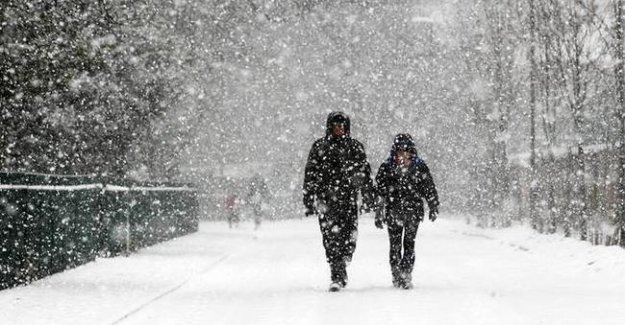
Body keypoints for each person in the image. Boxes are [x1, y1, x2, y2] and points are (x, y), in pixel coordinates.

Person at [303, 111, 375, 292]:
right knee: (330, 238)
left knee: (349, 236)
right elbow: (310, 174)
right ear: (330, 127)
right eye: (336, 126)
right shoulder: (320, 147)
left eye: (342, 126)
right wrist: (309, 199)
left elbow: (365, 174)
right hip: (326, 200)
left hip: (348, 200)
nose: (339, 129)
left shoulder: (355, 147)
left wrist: (368, 197)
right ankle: (337, 273)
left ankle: (344, 260)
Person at [374, 133, 439, 289]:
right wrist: (378, 212)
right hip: (393, 212)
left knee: (409, 244)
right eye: (400, 151)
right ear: (395, 152)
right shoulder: (387, 167)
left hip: (413, 213)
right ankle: (396, 274)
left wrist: (433, 205)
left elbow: (428, 187)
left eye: (406, 151)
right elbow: (380, 192)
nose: (403, 154)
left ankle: (406, 273)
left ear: (412, 152)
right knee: (395, 245)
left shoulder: (419, 167)